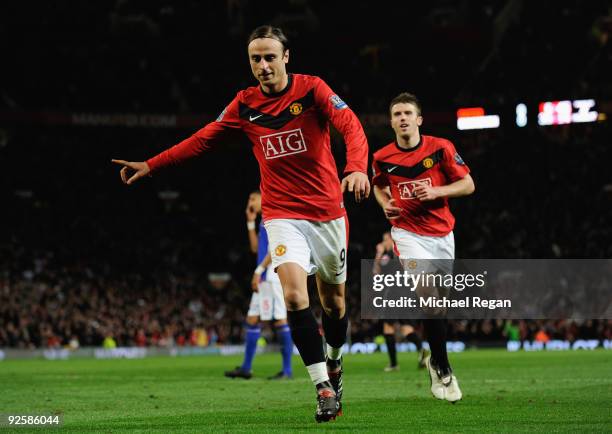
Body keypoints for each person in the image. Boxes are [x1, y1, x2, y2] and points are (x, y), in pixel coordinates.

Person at [112, 25, 370, 422]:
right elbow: (203, 139)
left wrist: (355, 167)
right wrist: (152, 164)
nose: (263, 65)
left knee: (334, 304)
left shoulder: (312, 88)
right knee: (296, 299)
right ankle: (321, 387)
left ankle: (334, 364)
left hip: (327, 213)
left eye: (270, 56)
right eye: (255, 58)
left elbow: (351, 125)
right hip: (282, 213)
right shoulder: (244, 104)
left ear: (286, 57)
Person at [372, 92, 474, 403]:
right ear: (391, 122)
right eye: (397, 114)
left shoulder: (441, 148)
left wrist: (436, 191)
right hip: (407, 233)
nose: (402, 118)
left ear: (418, 119)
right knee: (427, 291)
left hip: (442, 234)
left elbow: (468, 185)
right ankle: (443, 366)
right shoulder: (382, 157)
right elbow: (378, 185)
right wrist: (385, 204)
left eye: (407, 113)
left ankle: (435, 359)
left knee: (438, 306)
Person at [224, 191, 293, 380]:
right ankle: (246, 368)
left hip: (272, 275)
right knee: (252, 319)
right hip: (264, 275)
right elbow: (255, 248)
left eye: (253, 198)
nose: (250, 202)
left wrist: (258, 271)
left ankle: (287, 370)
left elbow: (277, 248)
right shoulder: (263, 220)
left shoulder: (273, 217)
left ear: (263, 198)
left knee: (279, 319)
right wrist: (250, 222)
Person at [372, 232, 428, 372]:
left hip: (394, 292)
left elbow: (376, 273)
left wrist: (379, 253)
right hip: (408, 292)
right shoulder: (404, 251)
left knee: (388, 328)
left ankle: (394, 364)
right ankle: (422, 350)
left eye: (385, 239)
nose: (383, 242)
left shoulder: (389, 254)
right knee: (406, 328)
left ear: (392, 239)